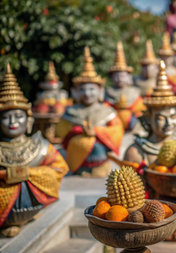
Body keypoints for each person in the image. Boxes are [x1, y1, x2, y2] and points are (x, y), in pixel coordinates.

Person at [0, 64, 69, 237]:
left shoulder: (41, 146)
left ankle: (29, 212)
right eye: (6, 117)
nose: (13, 122)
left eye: (18, 116)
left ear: (29, 120)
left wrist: (29, 174)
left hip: (35, 200)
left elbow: (60, 169)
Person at [56, 46, 123, 177]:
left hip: (100, 159)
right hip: (76, 153)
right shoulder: (71, 112)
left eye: (91, 89)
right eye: (83, 90)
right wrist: (77, 131)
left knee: (97, 149)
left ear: (100, 91)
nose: (87, 93)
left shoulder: (107, 111)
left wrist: (97, 131)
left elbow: (117, 131)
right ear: (76, 92)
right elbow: (60, 132)